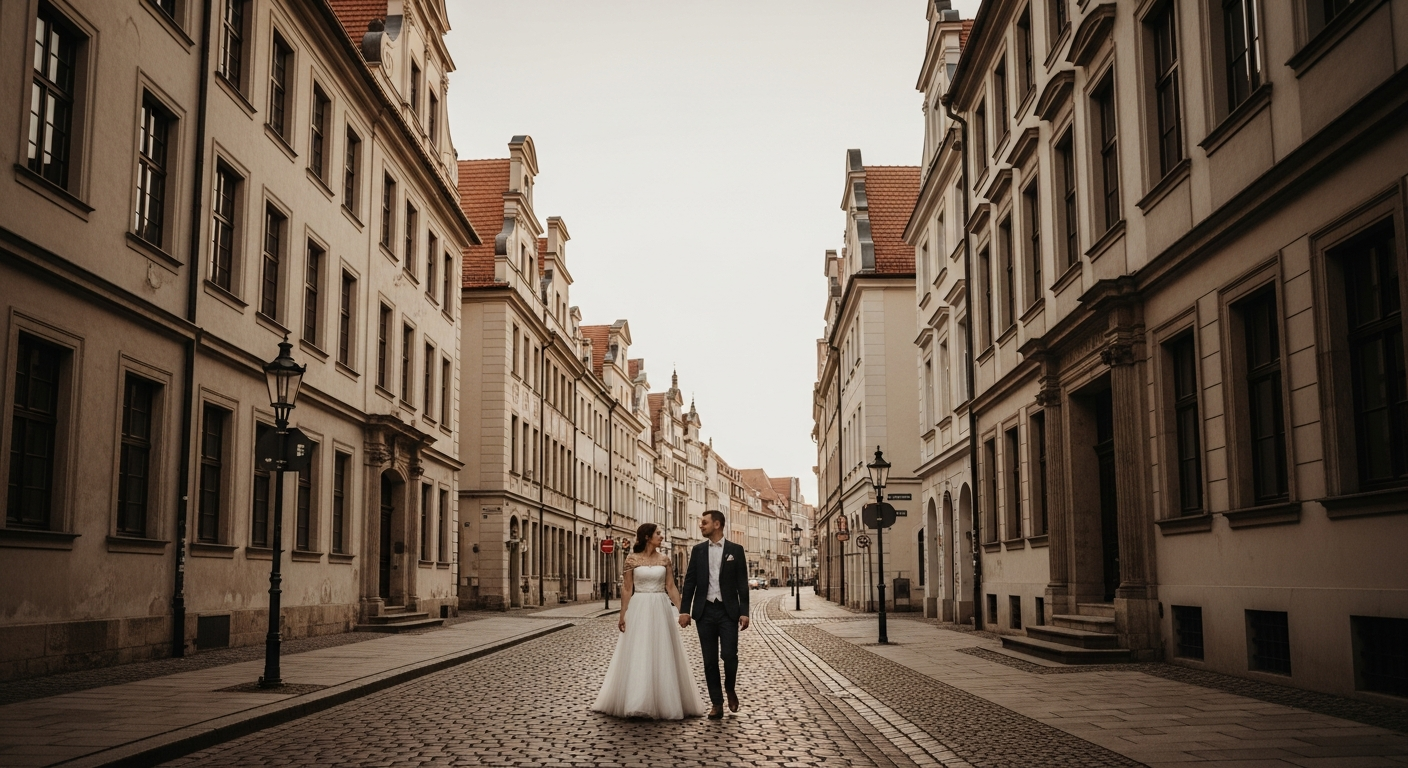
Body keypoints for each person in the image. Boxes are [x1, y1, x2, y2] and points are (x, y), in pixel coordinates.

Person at [591, 523, 705, 719]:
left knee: (662, 651)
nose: (661, 536)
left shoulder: (665, 560)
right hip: (640, 606)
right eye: (657, 534)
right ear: (646, 537)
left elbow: (671, 587)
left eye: (661, 533)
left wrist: (683, 611)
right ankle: (637, 700)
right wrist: (622, 614)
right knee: (639, 651)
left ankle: (664, 700)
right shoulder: (631, 559)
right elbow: (627, 588)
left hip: (660, 607)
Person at [678, 509, 749, 720]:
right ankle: (716, 703)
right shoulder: (698, 550)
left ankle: (730, 688)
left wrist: (744, 612)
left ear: (717, 525)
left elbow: (742, 584)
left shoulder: (736, 550)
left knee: (729, 655)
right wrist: (684, 610)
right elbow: (689, 581)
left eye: (704, 523)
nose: (701, 526)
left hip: (728, 612)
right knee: (709, 660)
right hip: (704, 611)